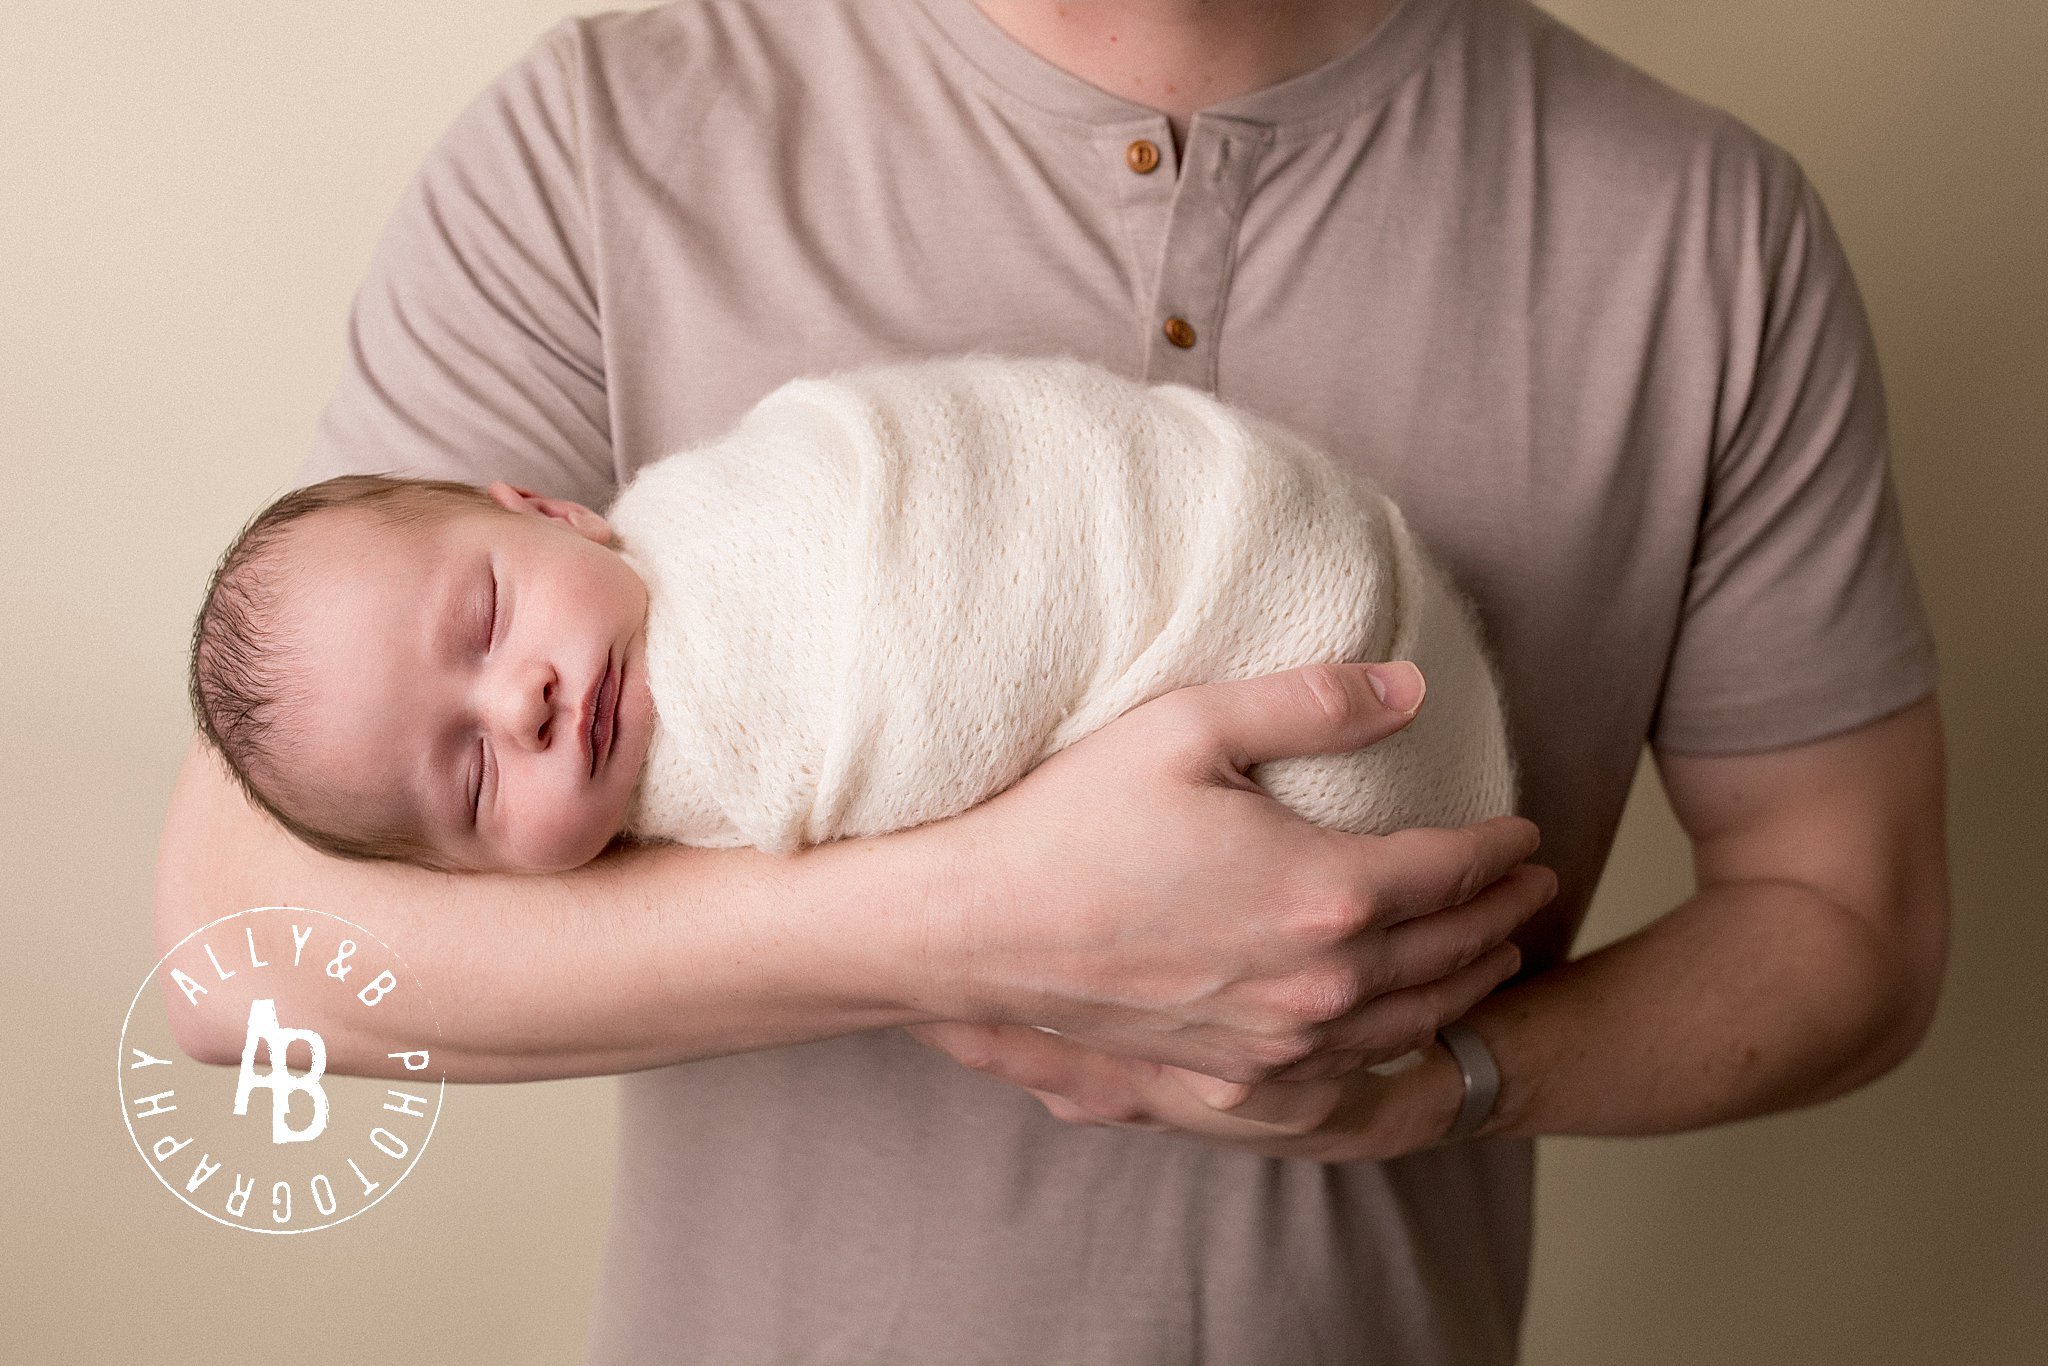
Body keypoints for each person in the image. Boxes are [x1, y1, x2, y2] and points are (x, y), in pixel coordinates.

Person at [151, 0, 1951, 1361]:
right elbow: (242, 950)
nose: (522, 707)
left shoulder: (1705, 232)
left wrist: (1443, 1081)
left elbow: (1850, 921)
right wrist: (976, 919)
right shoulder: (598, 145)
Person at [186, 354, 1515, 876]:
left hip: (1254, 569)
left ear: (550, 509)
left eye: (486, 616)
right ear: (482, 884)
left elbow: (996, 491)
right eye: (469, 776)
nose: (518, 699)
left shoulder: (724, 524)